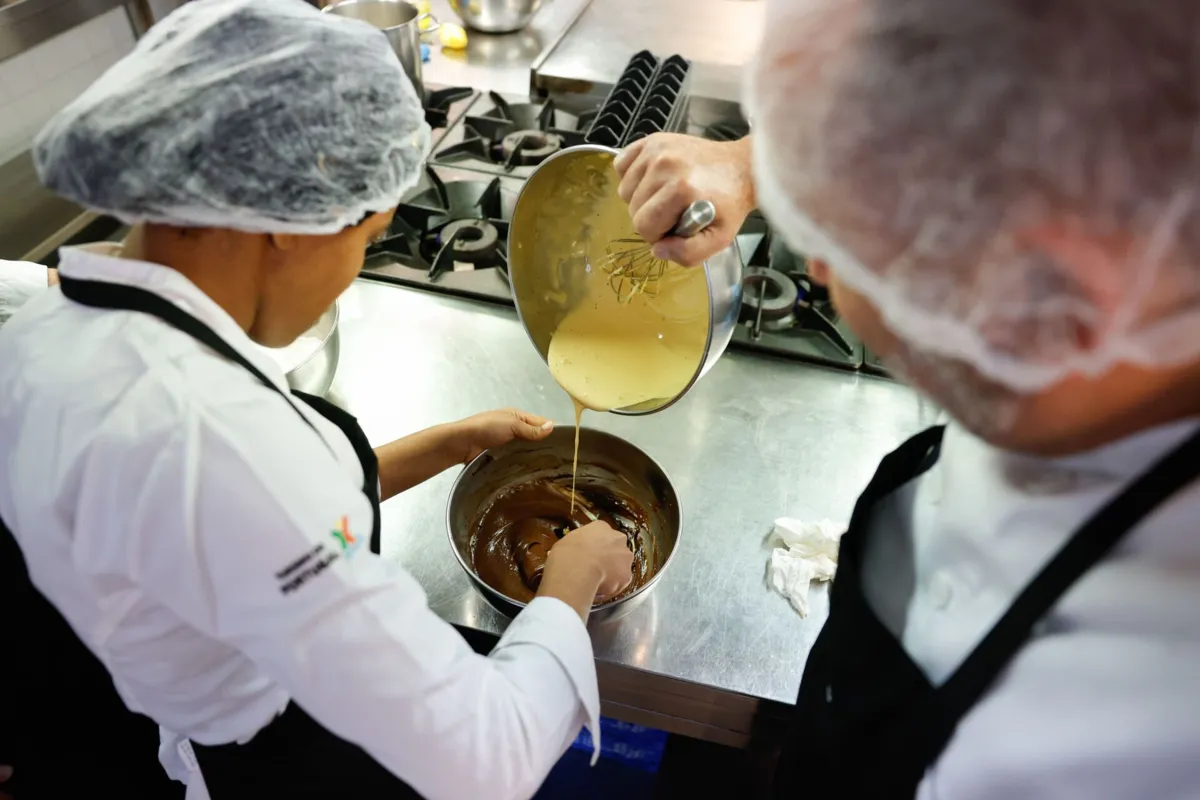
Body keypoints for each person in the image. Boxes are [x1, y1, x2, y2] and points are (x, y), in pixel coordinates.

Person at [0, 1, 633, 798]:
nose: (353, 272)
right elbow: (486, 755)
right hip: (251, 757)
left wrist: (449, 443)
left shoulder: (47, 326)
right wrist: (571, 584)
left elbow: (237, 536)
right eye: (365, 243)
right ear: (289, 225)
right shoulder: (210, 442)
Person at [617, 0, 1200, 796]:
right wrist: (765, 160)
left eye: (845, 247)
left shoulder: (1120, 748)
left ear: (1045, 301)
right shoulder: (1118, 305)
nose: (817, 270)